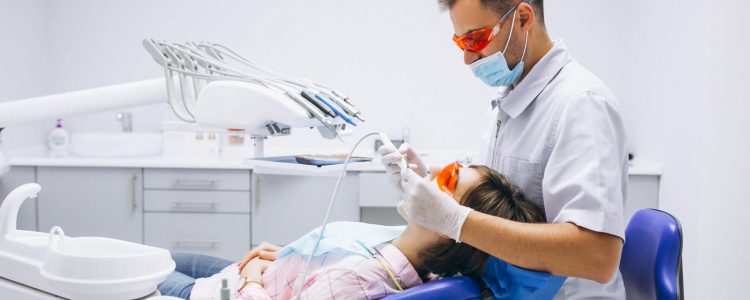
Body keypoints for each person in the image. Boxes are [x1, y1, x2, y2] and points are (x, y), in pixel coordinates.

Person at [379, 0, 628, 298]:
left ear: (523, 18)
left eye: (476, 38)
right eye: (461, 42)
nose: (469, 59)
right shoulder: (507, 101)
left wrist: (456, 220)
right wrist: (430, 187)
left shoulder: (581, 104)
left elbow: (597, 256)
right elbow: (490, 209)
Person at [158, 164, 562, 299]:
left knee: (143, 266)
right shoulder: (409, 256)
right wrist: (292, 257)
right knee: (169, 257)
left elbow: (341, 283)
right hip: (268, 273)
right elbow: (334, 270)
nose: (428, 179)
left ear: (448, 228)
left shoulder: (361, 280)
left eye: (446, 180)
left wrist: (250, 277)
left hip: (226, 291)